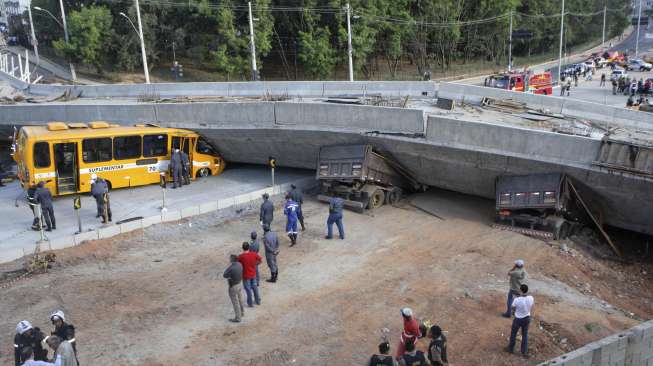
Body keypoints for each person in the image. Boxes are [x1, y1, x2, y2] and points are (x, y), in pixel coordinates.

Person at [506, 284, 534, 358]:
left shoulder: (517, 300)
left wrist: (515, 311)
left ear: (521, 290)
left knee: (513, 333)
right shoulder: (531, 298)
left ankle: (510, 349)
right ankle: (524, 352)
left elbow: (512, 307)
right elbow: (529, 303)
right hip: (527, 318)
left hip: (518, 319)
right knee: (524, 335)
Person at [238, 242, 262, 307]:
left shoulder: (241, 256)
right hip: (253, 274)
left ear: (243, 248)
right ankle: (258, 301)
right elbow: (260, 259)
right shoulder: (253, 254)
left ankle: (250, 303)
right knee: (255, 288)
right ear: (249, 247)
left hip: (246, 275)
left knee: (248, 290)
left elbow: (238, 263)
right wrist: (255, 264)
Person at [223, 253, 244, 323]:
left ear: (232, 260)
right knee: (240, 299)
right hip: (240, 284)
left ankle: (238, 318)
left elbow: (224, 275)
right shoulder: (240, 264)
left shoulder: (232, 267)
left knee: (235, 302)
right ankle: (242, 312)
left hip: (233, 286)